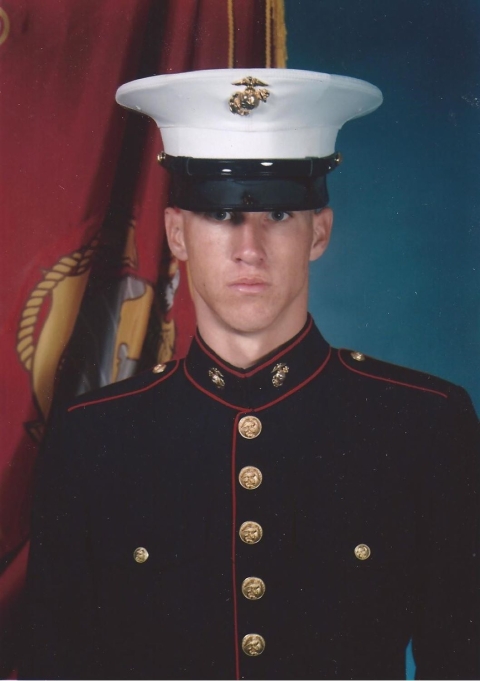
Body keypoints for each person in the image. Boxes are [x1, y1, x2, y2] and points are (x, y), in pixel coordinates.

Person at [21, 69, 479, 680]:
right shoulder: (94, 437)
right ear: (176, 233)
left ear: (320, 231)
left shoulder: (424, 423)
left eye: (280, 214)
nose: (250, 248)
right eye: (220, 215)